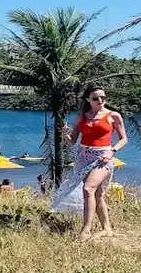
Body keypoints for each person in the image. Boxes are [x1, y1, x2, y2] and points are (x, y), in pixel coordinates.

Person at [50, 85, 127, 241]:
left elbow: (124, 139)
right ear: (88, 99)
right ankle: (107, 228)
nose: (100, 100)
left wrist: (112, 151)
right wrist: (66, 135)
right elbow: (72, 142)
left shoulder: (114, 116)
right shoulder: (82, 117)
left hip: (103, 156)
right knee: (97, 195)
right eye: (96, 98)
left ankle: (86, 229)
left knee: (88, 189)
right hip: (83, 156)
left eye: (103, 98)